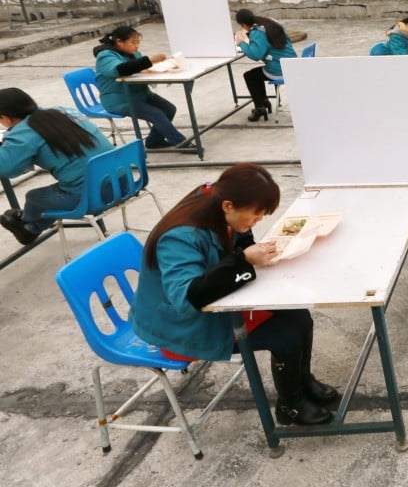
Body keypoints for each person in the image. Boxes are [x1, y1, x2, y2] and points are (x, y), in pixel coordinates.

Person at [129, 163, 338, 426]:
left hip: (215, 300)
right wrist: (243, 260)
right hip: (180, 327)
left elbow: (240, 240)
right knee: (286, 335)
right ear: (229, 205)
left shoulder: (216, 201)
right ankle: (290, 405)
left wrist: (253, 251)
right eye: (255, 215)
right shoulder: (180, 237)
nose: (257, 221)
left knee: (300, 316)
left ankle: (302, 382)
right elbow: (185, 300)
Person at [0, 88, 113, 245]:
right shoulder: (62, 111)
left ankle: (29, 228)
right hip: (121, 181)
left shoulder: (22, 133)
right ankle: (28, 225)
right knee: (56, 192)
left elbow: (6, 169)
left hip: (93, 196)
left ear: (6, 118)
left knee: (34, 198)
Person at [93, 25, 187, 149]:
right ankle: (182, 143)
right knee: (156, 114)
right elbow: (121, 69)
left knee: (169, 109)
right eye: (133, 42)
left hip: (141, 94)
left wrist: (155, 68)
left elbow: (138, 67)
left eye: (138, 43)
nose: (136, 46)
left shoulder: (134, 53)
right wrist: (150, 60)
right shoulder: (105, 56)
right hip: (120, 100)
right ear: (119, 42)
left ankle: (154, 141)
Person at [234, 9, 297, 122]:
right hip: (292, 64)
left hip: (280, 69)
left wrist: (242, 42)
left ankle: (260, 108)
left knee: (250, 76)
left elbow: (256, 55)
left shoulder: (257, 32)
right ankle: (263, 102)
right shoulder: (270, 22)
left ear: (243, 24)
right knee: (254, 74)